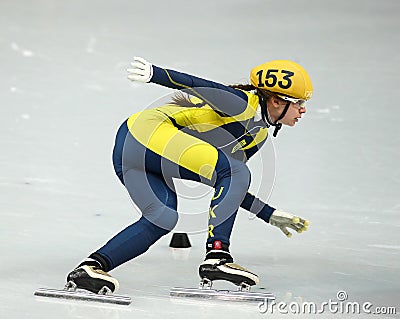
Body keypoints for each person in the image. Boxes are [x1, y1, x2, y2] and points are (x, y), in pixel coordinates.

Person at [67, 57, 313, 294]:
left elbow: (227, 185)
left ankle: (91, 267)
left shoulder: (258, 136)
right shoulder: (241, 103)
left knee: (161, 218)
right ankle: (218, 256)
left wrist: (267, 213)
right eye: (299, 103)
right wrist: (155, 73)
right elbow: (198, 85)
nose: (302, 110)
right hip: (147, 133)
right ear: (277, 101)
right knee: (235, 170)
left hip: (131, 148)